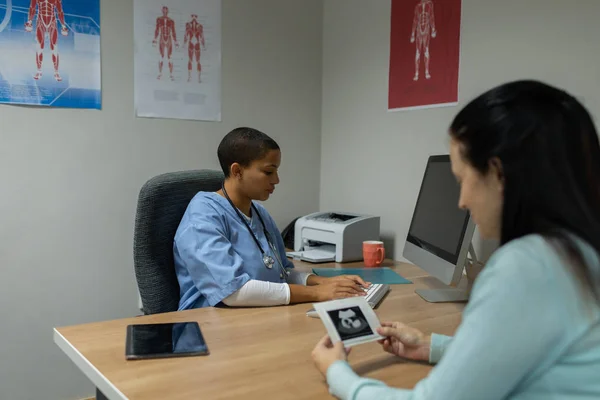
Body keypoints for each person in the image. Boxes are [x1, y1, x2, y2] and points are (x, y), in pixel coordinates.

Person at [311, 80, 600, 399]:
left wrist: (337, 372)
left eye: (462, 179)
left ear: (498, 174)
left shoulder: (527, 267)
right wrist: (431, 346)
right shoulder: (578, 253)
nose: (461, 201)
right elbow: (520, 353)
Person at [174, 127, 371, 310]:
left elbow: (281, 273)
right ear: (237, 171)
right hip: (207, 326)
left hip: (256, 315)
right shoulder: (202, 215)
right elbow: (234, 292)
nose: (276, 180)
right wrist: (318, 292)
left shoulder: (259, 212)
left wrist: (322, 282)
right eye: (269, 171)